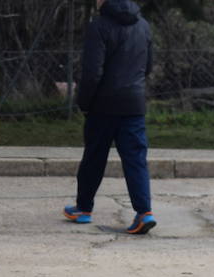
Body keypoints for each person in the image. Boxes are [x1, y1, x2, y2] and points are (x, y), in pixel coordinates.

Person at [63, 0, 156, 235]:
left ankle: (84, 208)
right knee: (135, 159)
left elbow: (92, 71)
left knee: (94, 157)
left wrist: (84, 102)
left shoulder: (99, 26)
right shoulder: (143, 25)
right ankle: (144, 212)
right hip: (134, 103)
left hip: (103, 105)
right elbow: (148, 66)